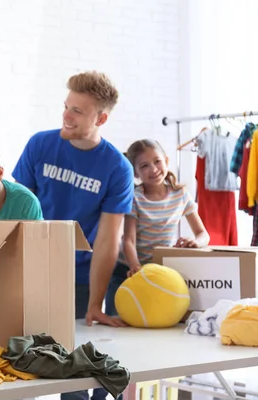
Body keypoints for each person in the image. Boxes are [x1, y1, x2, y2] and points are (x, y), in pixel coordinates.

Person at [12, 71, 133, 400]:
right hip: (32, 271)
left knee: (77, 375)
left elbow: (109, 240)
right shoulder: (40, 144)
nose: (66, 115)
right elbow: (17, 211)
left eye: (77, 111)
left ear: (101, 118)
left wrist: (96, 302)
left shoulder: (117, 168)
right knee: (21, 361)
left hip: (79, 276)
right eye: (66, 106)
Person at [105, 139, 210, 316]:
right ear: (136, 173)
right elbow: (128, 240)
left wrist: (195, 242)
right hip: (127, 270)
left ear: (166, 161)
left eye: (157, 162)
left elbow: (203, 234)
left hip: (160, 271)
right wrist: (136, 267)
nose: (153, 169)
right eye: (144, 166)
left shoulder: (181, 195)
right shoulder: (135, 198)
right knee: (116, 320)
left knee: (153, 319)